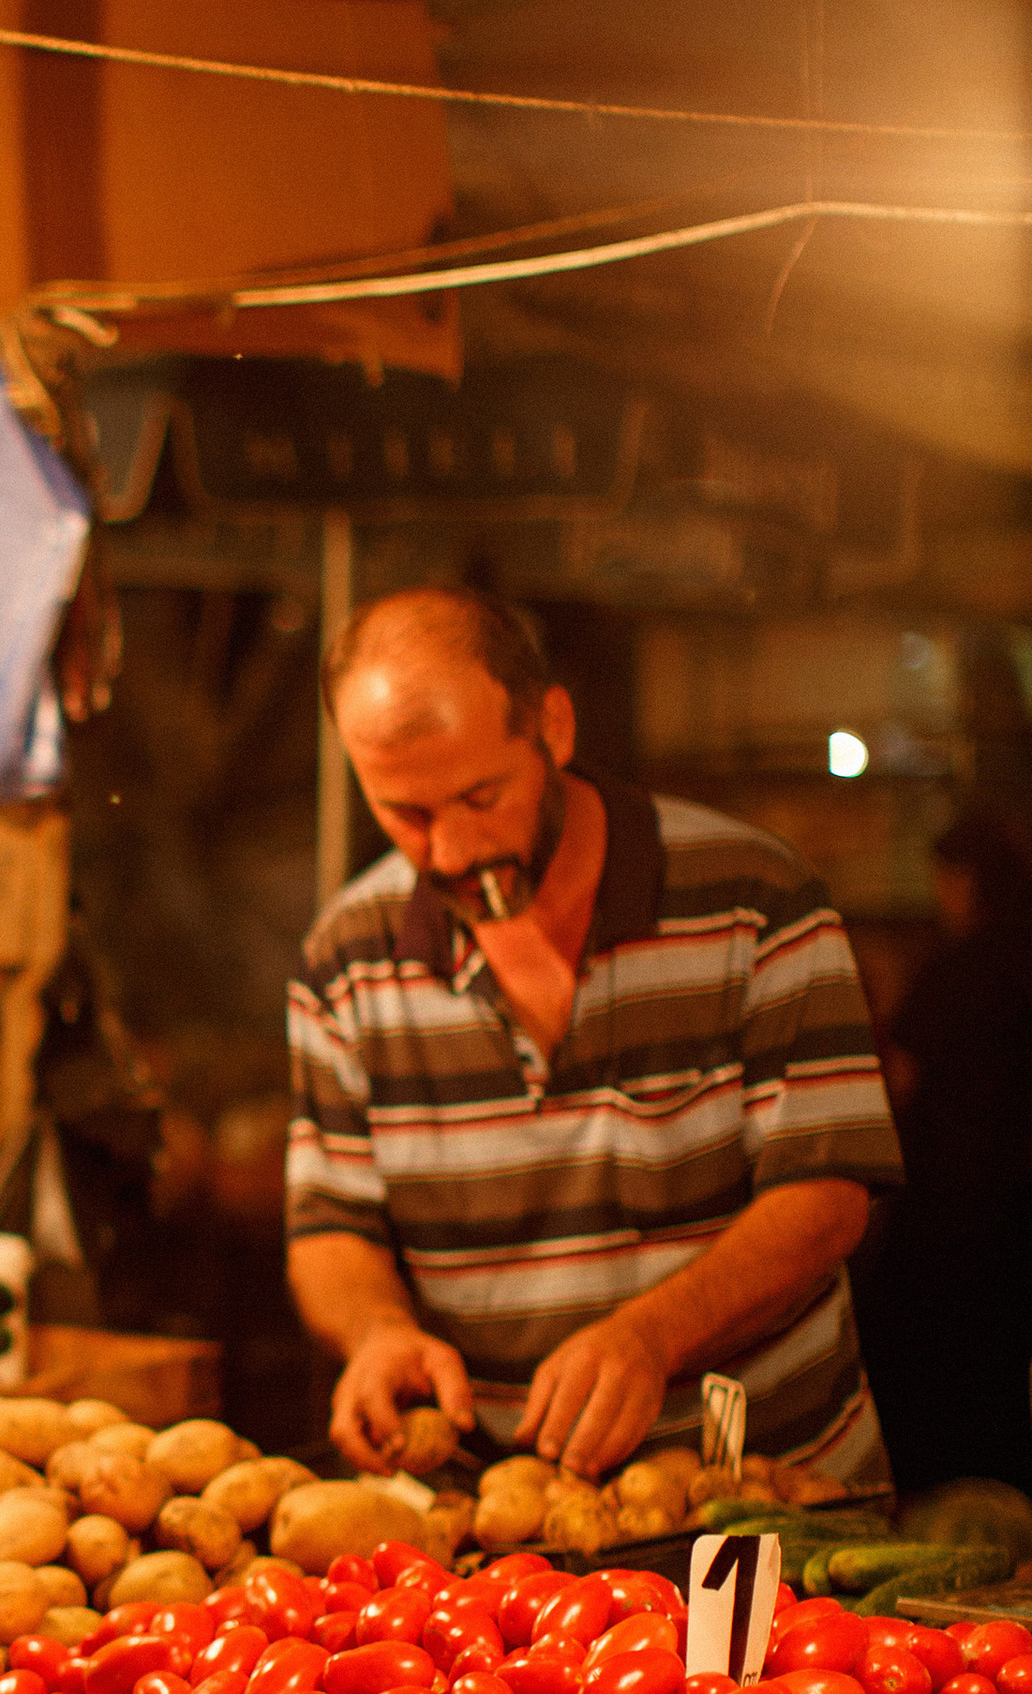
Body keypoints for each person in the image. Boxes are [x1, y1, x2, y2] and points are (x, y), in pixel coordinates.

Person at [287, 587, 901, 1486]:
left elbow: (828, 1194)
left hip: (767, 1499)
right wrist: (378, 1332)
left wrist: (653, 1336)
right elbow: (330, 1226)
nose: (452, 851)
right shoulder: (346, 956)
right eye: (405, 817)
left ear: (555, 729)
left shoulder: (755, 897)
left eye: (479, 796)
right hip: (502, 1530)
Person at [859, 807, 1032, 1493]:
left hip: (950, 1213)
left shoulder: (956, 973)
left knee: (939, 1372)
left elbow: (896, 1082)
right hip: (1020, 1208)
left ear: (963, 881)